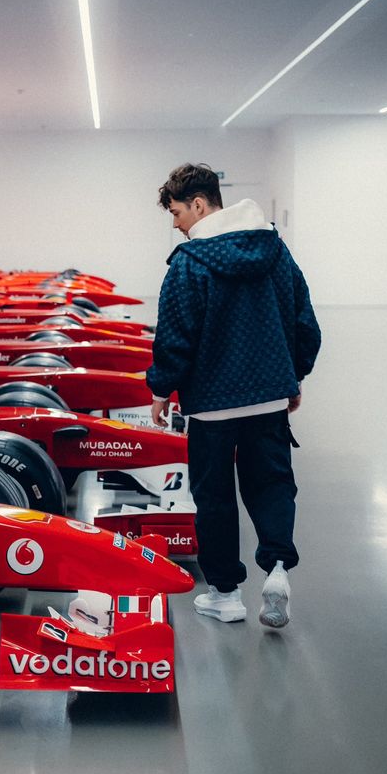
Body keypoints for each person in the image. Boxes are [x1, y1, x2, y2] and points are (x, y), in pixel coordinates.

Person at [147, 163, 321, 627]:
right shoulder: (276, 253)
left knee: (216, 496)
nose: (175, 222)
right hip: (268, 398)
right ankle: (278, 569)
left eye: (177, 210)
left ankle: (225, 595)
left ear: (200, 204)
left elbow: (175, 337)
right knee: (272, 485)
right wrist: (292, 378)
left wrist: (161, 388)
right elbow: (305, 322)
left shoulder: (188, 264)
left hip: (211, 407)